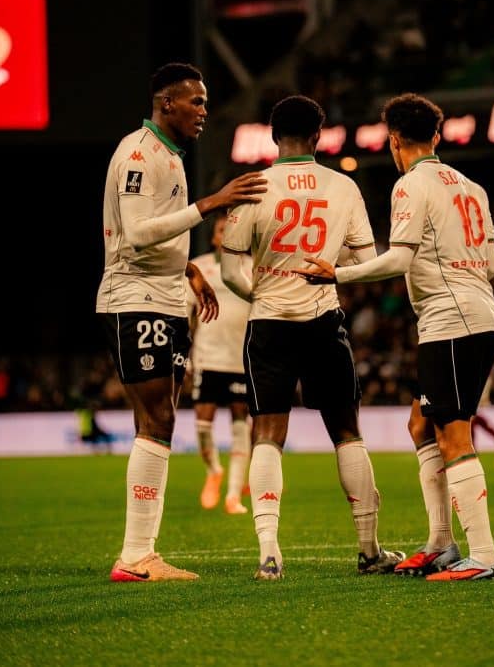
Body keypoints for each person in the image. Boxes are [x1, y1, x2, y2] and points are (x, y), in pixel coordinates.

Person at [297, 92, 494, 581]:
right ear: (437, 135)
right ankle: (441, 543)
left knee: (453, 433)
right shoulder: (473, 188)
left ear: (393, 140)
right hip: (477, 313)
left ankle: (484, 557)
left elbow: (398, 259)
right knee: (421, 425)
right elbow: (493, 264)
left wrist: (338, 274)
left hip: (451, 318)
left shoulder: (411, 184)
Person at [220, 94, 405, 581]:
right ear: (318, 136)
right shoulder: (343, 186)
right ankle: (369, 551)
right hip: (323, 318)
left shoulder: (253, 186)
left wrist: (260, 292)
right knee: (347, 432)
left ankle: (269, 554)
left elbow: (230, 269)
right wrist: (333, 267)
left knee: (267, 433)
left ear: (273, 136)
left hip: (269, 323)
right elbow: (366, 262)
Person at [96, 62, 266, 583]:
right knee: (157, 419)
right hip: (137, 297)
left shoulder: (169, 155)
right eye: (196, 101)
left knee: (159, 420)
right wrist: (210, 203)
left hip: (166, 295)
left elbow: (157, 235)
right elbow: (136, 232)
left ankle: (142, 552)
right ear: (166, 103)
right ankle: (135, 556)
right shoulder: (138, 154)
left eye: (205, 102)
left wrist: (188, 268)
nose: (204, 111)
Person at [186, 213, 252, 513]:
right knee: (203, 422)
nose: (226, 234)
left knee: (241, 423)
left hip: (240, 359)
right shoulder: (198, 267)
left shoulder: (253, 267)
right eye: (222, 230)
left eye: (232, 230)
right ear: (213, 237)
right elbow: (187, 315)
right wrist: (185, 356)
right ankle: (214, 470)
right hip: (207, 356)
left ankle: (233, 495)